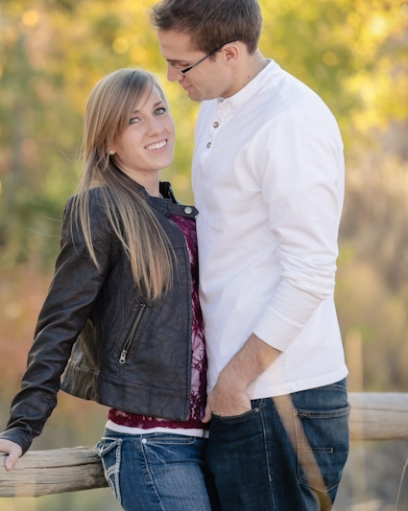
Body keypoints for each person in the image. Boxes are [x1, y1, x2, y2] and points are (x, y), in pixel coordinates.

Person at [0, 68, 214, 511]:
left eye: (160, 110)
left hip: (216, 439)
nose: (157, 127)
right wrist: (21, 427)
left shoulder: (188, 216)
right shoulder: (100, 210)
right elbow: (59, 323)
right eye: (134, 120)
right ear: (108, 141)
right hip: (151, 444)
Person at [149, 1, 350, 510]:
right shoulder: (218, 103)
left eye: (182, 64)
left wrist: (235, 382)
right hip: (241, 395)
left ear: (231, 53)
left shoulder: (289, 122)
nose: (172, 79)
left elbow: (310, 273)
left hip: (283, 396)